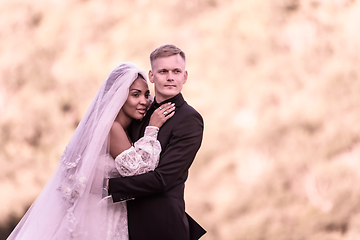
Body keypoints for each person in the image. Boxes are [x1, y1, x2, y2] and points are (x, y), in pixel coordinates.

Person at [7, 62, 175, 240]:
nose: (144, 101)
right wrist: (152, 128)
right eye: (135, 95)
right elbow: (139, 170)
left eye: (146, 94)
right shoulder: (112, 128)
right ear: (118, 96)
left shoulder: (110, 128)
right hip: (99, 218)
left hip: (103, 213)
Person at [108, 44, 206, 240]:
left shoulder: (189, 119)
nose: (170, 77)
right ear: (152, 76)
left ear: (184, 77)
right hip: (122, 223)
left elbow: (163, 179)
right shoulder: (139, 110)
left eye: (176, 71)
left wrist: (108, 187)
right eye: (163, 71)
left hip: (162, 226)